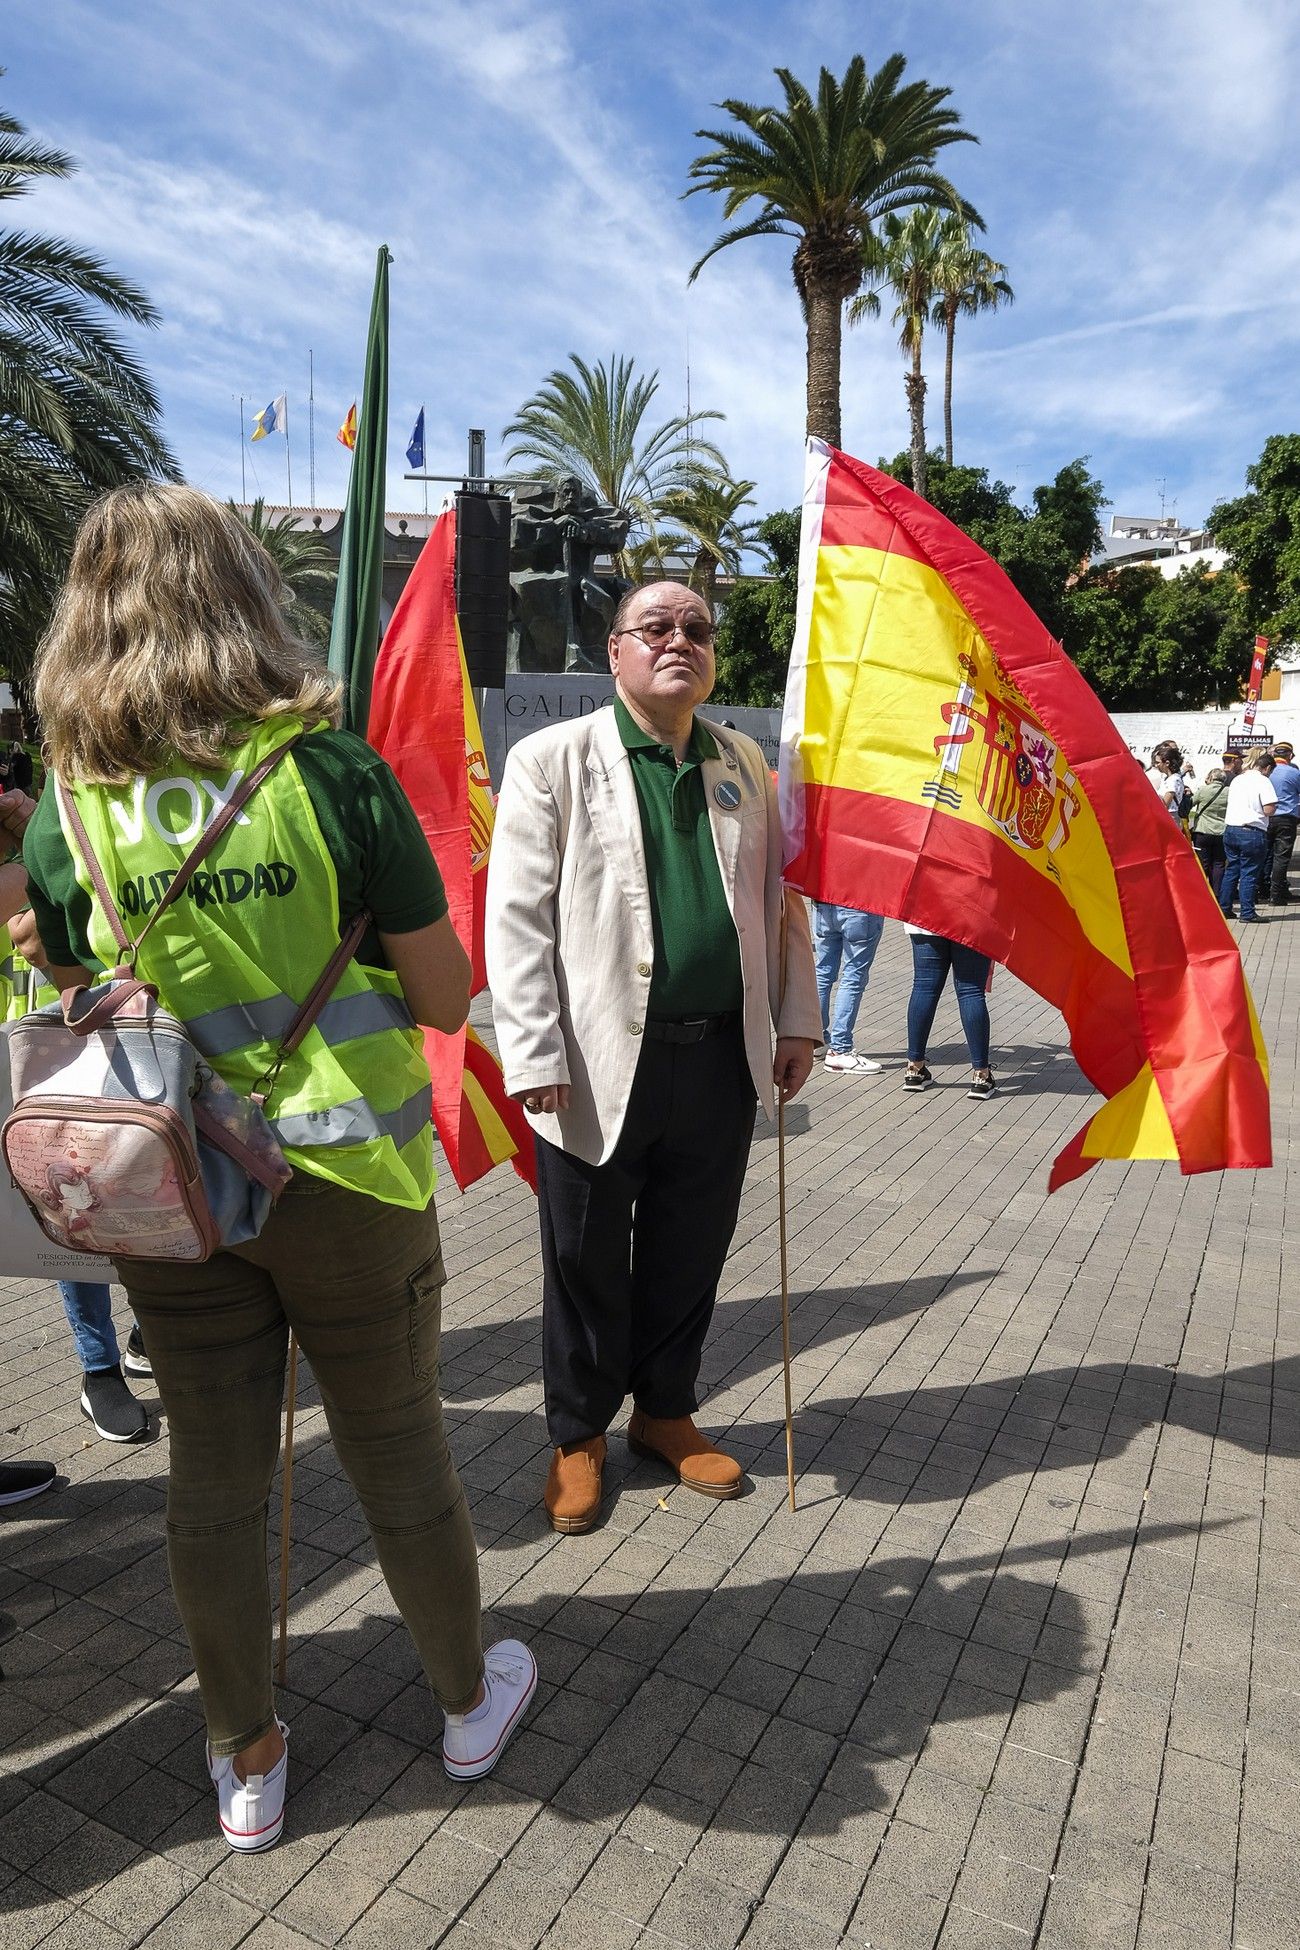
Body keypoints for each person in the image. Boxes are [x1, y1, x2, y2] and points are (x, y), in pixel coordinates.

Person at [10, 484, 536, 1853]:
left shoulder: (67, 807)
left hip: (174, 1193)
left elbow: (72, 986)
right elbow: (442, 997)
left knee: (215, 1478)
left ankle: (245, 1755)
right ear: (243, 589)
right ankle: (470, 1702)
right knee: (400, 1450)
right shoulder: (333, 773)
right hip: (349, 1178)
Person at [486, 580, 820, 1535]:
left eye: (698, 630)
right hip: (592, 1062)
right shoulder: (553, 759)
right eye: (659, 627)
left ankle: (664, 1412)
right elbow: (515, 919)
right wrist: (533, 1048)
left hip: (719, 1054)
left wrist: (795, 1019)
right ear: (617, 650)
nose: (682, 640)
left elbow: (777, 898)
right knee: (583, 1254)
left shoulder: (743, 761)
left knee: (693, 1243)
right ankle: (579, 1433)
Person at [902, 924, 995, 1099]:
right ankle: (981, 1075)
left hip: (926, 916)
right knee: (971, 992)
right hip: (972, 917)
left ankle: (914, 1068)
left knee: (924, 987)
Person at [812, 901, 885, 1074]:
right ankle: (840, 1048)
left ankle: (815, 1038)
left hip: (824, 904)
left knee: (823, 972)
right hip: (859, 904)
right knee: (853, 977)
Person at [1220, 751, 1277, 924]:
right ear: (1267, 768)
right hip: (1251, 831)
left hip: (1231, 829)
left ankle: (1224, 908)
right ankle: (1247, 912)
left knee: (1232, 870)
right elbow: (1269, 808)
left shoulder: (1238, 779)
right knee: (1249, 873)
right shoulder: (1263, 781)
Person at [1188, 766, 1231, 902]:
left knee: (1203, 864)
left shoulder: (1203, 790)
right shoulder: (1229, 791)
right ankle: (1217, 894)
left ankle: (1201, 894)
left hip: (1202, 832)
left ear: (1211, 778)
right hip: (1222, 832)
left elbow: (1190, 804)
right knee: (1219, 863)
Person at [1266, 740, 1299, 904]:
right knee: (1281, 857)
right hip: (1286, 818)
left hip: (1265, 818)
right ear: (1289, 756)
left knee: (1265, 856)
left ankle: (1261, 890)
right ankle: (1277, 894)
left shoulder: (1267, 772)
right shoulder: (1293, 772)